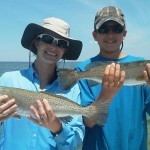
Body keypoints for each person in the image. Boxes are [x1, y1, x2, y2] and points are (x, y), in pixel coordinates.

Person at [0, 17, 85, 150]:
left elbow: (76, 142)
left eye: (61, 43)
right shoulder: (7, 80)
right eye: (47, 39)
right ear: (36, 42)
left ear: (65, 51)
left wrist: (57, 127)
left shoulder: (72, 89)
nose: (53, 46)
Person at [75, 6, 150, 150]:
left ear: (124, 33)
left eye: (116, 29)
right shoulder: (82, 70)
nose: (110, 35)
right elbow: (88, 122)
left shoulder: (145, 68)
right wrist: (106, 94)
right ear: (95, 35)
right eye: (104, 29)